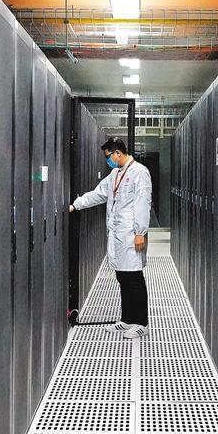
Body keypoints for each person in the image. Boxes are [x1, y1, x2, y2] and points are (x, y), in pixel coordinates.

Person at [69, 137, 152, 338]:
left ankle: (142, 323)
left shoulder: (139, 172)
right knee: (122, 277)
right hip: (117, 235)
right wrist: (76, 204)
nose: (108, 161)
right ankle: (127, 319)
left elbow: (143, 203)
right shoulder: (115, 174)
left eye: (109, 157)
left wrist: (140, 232)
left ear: (118, 153)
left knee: (134, 278)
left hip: (132, 234)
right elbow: (99, 194)